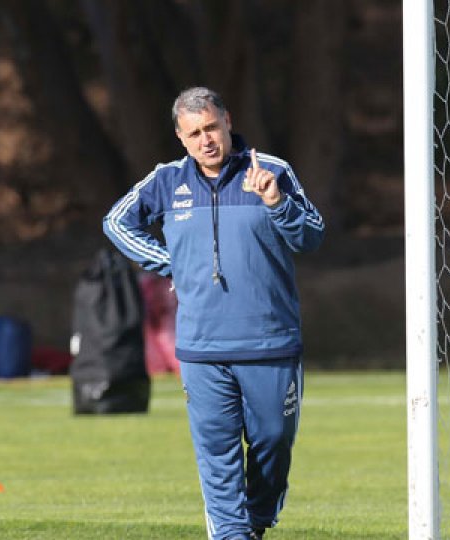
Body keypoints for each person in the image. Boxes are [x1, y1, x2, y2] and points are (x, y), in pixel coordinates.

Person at [103, 86, 324, 540]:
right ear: (181, 139)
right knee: (216, 453)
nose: (205, 140)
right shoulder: (166, 181)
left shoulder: (273, 172)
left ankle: (256, 525)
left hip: (271, 343)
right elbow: (116, 223)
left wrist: (275, 203)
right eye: (194, 133)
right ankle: (231, 534)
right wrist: (171, 263)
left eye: (211, 128)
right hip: (202, 349)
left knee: (272, 445)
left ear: (228, 122)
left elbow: (313, 236)